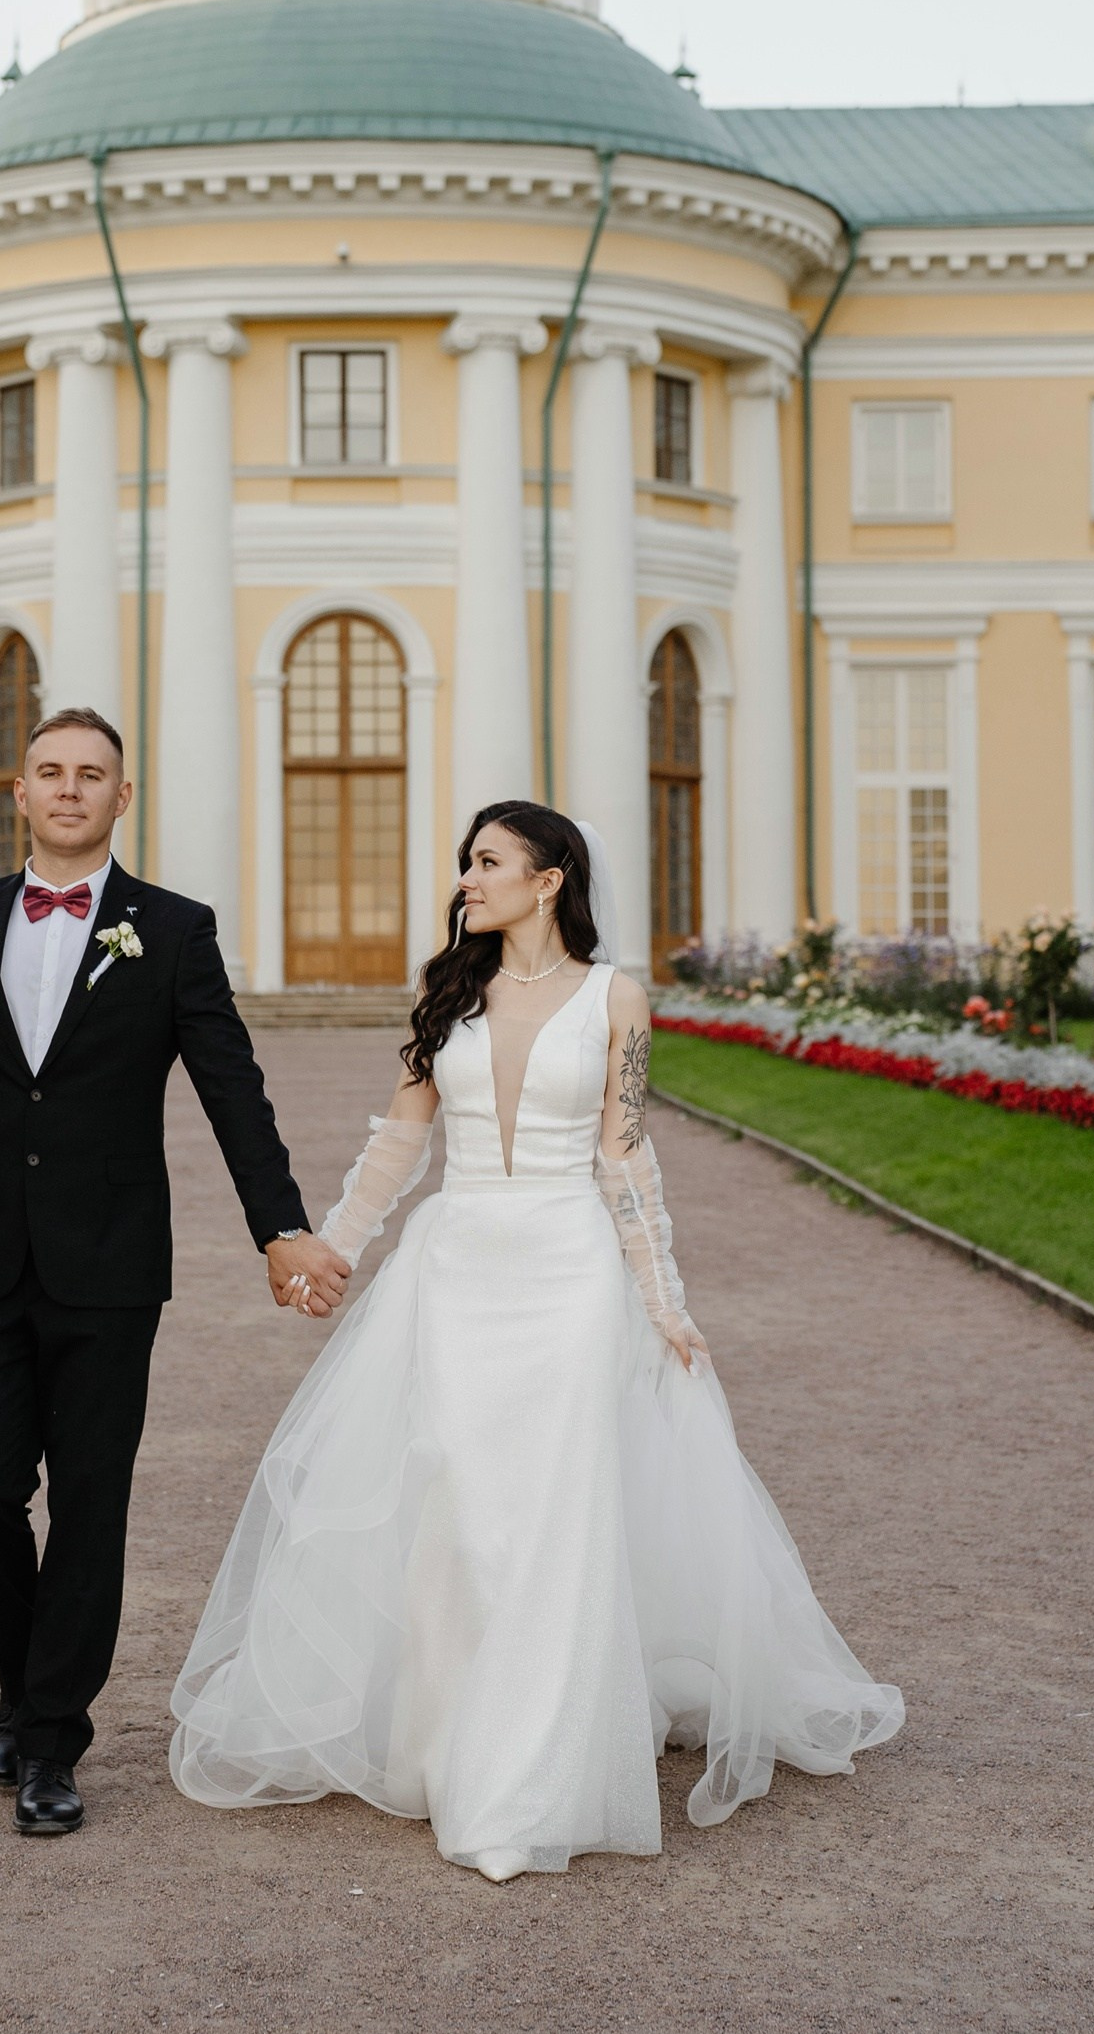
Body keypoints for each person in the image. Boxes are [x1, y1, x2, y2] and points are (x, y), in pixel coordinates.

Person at [170, 800, 904, 1883]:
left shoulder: (617, 1000)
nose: (466, 880)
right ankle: (444, 1742)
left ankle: (525, 1777)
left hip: (566, 1275)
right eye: (465, 863)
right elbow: (397, 1144)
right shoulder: (444, 999)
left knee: (554, 1512)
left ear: (549, 878)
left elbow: (626, 1159)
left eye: (486, 862)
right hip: (455, 1269)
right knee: (460, 1504)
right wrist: (328, 1247)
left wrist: (662, 1297)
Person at [0, 707, 348, 1838]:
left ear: (123, 799)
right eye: (49, 772)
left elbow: (229, 1088)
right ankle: (23, 1680)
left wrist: (280, 1227)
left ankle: (52, 1738)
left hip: (111, 1264)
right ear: (18, 793)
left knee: (92, 1503)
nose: (69, 789)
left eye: (92, 775)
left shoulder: (169, 929)